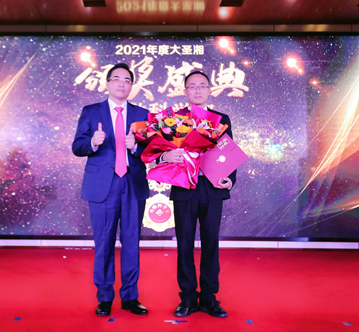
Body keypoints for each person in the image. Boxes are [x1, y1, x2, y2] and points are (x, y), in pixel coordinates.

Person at [72, 63, 150, 317]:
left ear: (131, 86)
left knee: (131, 241)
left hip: (132, 183)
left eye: (127, 80)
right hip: (102, 186)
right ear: (107, 83)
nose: (121, 83)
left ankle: (130, 297)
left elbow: (152, 151)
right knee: (104, 241)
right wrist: (92, 142)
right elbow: (77, 146)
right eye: (116, 79)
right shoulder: (91, 111)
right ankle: (105, 297)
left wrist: (135, 147)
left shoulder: (142, 114)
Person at [160, 70, 236, 318]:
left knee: (211, 242)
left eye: (202, 85)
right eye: (192, 86)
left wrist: (230, 181)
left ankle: (209, 298)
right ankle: (188, 298)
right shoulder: (173, 120)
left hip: (212, 188)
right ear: (185, 91)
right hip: (184, 187)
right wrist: (165, 156)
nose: (198, 90)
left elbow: (229, 153)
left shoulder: (221, 119)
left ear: (209, 90)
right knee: (184, 242)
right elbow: (158, 151)